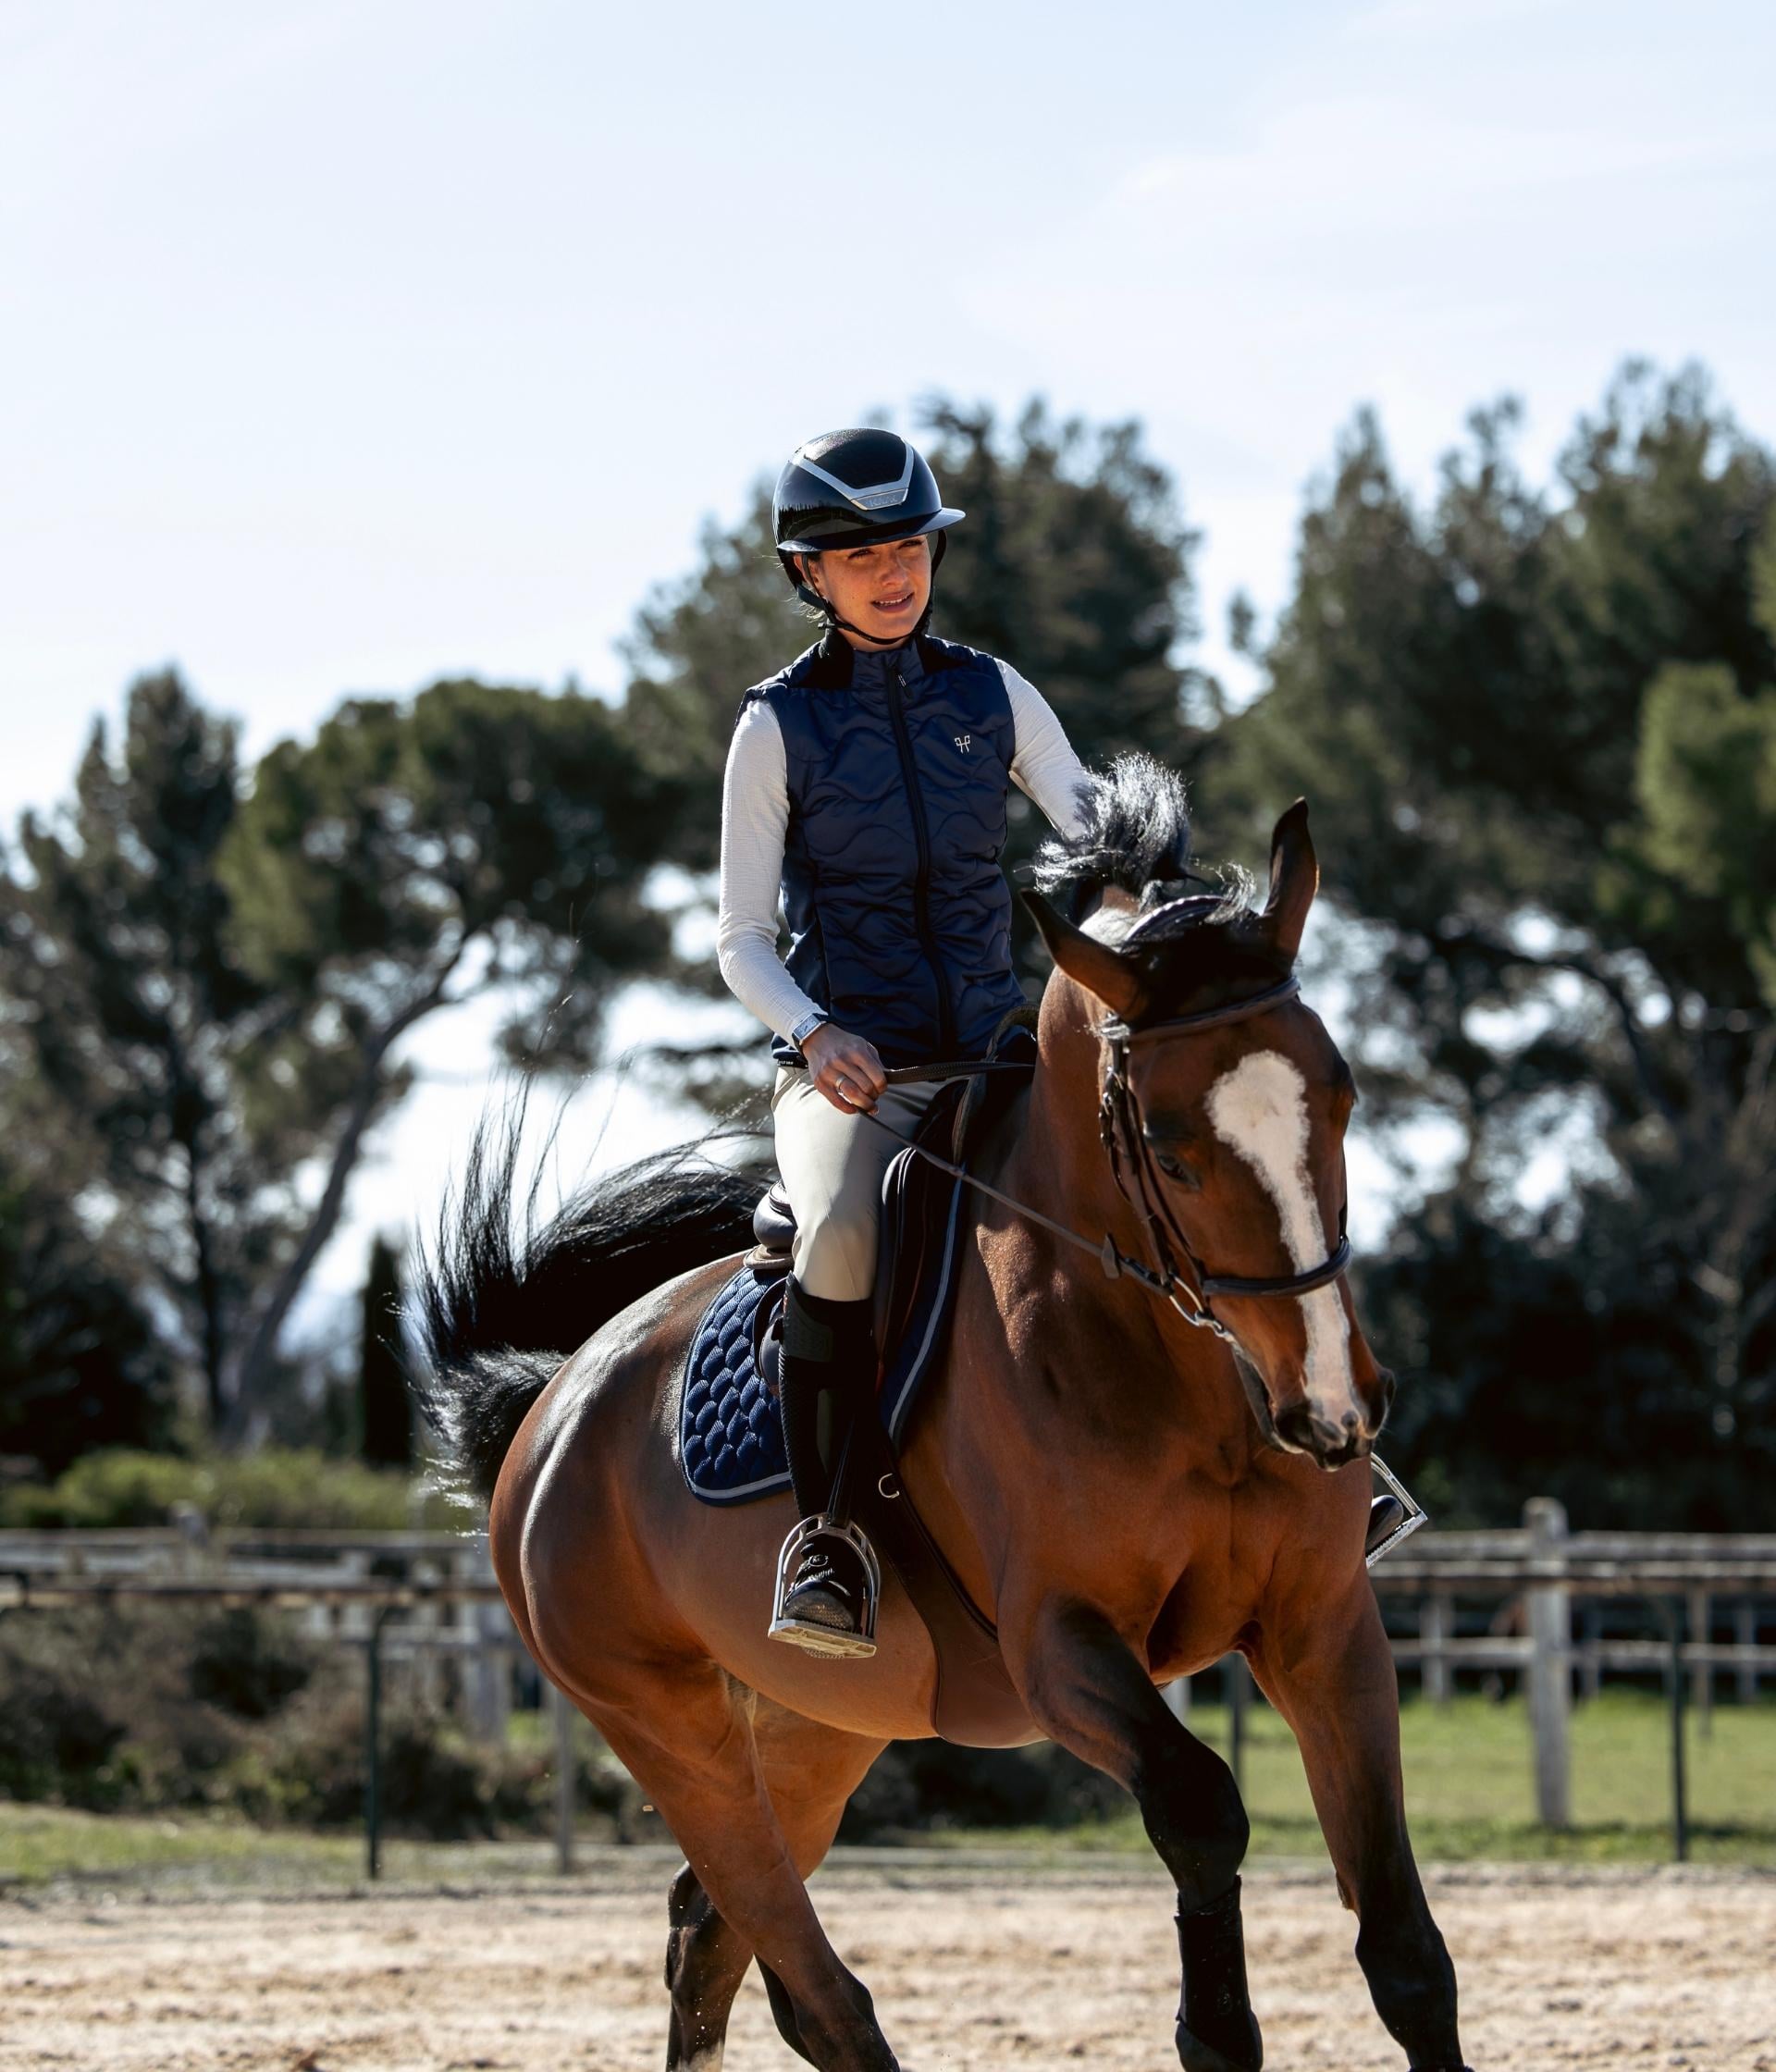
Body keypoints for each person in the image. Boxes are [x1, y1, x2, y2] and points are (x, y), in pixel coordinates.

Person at [717, 427, 1092, 1655]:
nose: (894, 574)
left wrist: (1153, 882)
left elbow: (1095, 836)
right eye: (861, 555)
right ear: (808, 574)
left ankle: (1307, 1465)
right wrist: (815, 1032)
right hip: (854, 1079)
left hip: (998, 1059)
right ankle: (828, 1541)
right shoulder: (776, 727)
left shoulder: (993, 694)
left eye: (910, 549)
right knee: (836, 1233)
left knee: (1161, 1168)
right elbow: (741, 942)